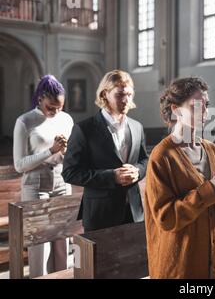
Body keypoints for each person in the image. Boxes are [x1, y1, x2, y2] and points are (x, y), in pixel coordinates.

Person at [144, 77, 215, 279]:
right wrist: (211, 190)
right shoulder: (162, 156)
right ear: (176, 109)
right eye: (197, 106)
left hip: (211, 253)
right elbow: (166, 218)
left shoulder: (211, 150)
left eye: (206, 105)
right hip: (180, 259)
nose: (205, 112)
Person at [62, 70, 148, 232]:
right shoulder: (84, 129)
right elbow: (69, 172)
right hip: (100, 213)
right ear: (104, 94)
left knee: (132, 258)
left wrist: (138, 171)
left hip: (134, 211)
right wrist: (112, 176)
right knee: (102, 258)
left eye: (129, 94)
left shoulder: (137, 127)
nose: (126, 100)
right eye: (120, 95)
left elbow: (145, 160)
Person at [13, 75, 73, 278]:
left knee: (63, 242)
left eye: (59, 107)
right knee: (40, 245)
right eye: (50, 107)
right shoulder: (25, 121)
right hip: (35, 185)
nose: (55, 112)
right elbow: (19, 165)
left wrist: (65, 151)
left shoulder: (66, 119)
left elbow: (70, 153)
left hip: (62, 183)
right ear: (39, 98)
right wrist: (51, 150)